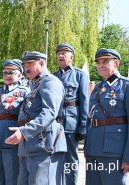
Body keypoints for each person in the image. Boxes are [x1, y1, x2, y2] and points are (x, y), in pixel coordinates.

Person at [5, 51, 67, 185]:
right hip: (30, 146)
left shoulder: (50, 82)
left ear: (42, 63)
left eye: (30, 64)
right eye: (25, 64)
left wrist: (24, 132)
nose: (26, 68)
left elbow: (49, 113)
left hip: (44, 145)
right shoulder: (35, 84)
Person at [84, 48, 129, 185]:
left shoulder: (125, 86)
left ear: (116, 64)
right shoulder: (97, 88)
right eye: (98, 62)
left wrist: (128, 156)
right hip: (93, 149)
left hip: (114, 150)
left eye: (105, 61)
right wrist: (87, 148)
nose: (100, 65)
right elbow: (90, 119)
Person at [53, 43, 89, 185]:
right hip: (55, 125)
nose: (61, 56)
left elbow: (85, 102)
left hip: (70, 125)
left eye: (64, 53)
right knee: (55, 158)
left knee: (70, 159)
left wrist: (82, 127)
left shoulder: (80, 75)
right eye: (59, 53)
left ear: (71, 57)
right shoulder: (53, 76)